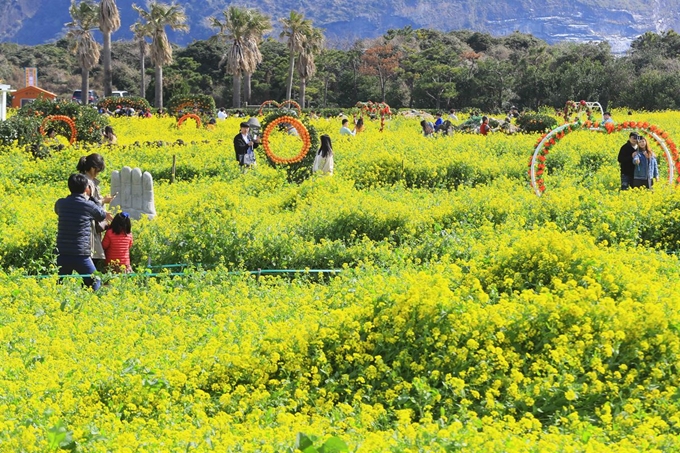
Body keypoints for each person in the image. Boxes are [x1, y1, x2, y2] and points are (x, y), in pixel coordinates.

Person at [54, 173, 112, 290]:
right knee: (95, 281)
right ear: (86, 188)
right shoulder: (88, 205)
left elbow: (57, 210)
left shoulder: (60, 203)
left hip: (62, 253)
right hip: (80, 254)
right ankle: (93, 304)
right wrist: (93, 199)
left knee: (59, 285)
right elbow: (101, 215)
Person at [77, 153, 115, 266]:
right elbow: (86, 204)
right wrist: (103, 202)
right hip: (88, 224)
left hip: (92, 222)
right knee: (91, 256)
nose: (98, 173)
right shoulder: (86, 183)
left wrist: (103, 200)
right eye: (98, 170)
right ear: (93, 169)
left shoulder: (88, 181)